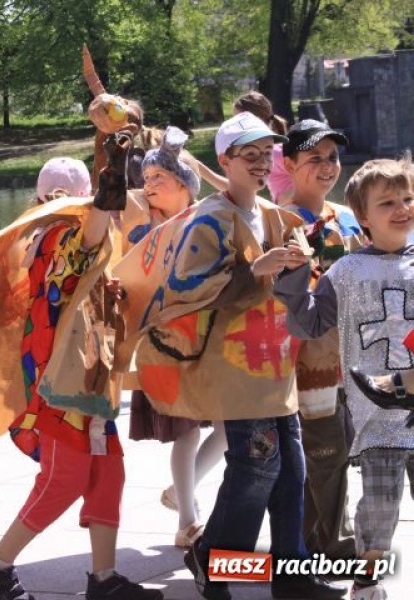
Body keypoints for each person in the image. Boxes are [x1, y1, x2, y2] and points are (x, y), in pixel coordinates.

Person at [118, 112, 343, 600]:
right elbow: (188, 289)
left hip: (274, 364)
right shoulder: (209, 218)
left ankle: (291, 574)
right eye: (249, 154)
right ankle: (212, 559)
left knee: (291, 471)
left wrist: (298, 265)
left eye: (266, 154)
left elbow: (290, 286)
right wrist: (256, 269)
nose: (261, 163)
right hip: (234, 370)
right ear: (225, 160)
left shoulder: (274, 215)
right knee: (256, 468)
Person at [0, 142, 163, 600]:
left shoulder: (67, 232)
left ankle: (103, 579)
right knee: (63, 479)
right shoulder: (51, 236)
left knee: (108, 473)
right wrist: (106, 195)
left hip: (87, 375)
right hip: (58, 379)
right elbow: (81, 249)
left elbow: (87, 265)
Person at [274, 156, 414, 600]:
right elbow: (308, 324)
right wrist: (294, 277)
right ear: (363, 217)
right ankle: (367, 583)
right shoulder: (347, 272)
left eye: (407, 198)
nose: (402, 208)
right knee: (379, 507)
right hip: (378, 418)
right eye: (387, 202)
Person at [124, 127, 227, 550]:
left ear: (184, 184)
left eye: (159, 178)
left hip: (209, 337)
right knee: (185, 430)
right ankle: (188, 519)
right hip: (165, 341)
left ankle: (180, 489)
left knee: (229, 425)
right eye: (146, 179)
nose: (148, 185)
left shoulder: (208, 218)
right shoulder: (140, 227)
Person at [280, 119, 364, 564]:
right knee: (325, 452)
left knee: (335, 453)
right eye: (315, 158)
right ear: (288, 164)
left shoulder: (347, 216)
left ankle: (313, 544)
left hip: (348, 356)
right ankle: (333, 546)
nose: (328, 166)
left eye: (332, 158)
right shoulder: (281, 221)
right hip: (306, 361)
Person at [197, 91, 291, 203]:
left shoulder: (277, 152)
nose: (263, 162)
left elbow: (308, 184)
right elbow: (239, 190)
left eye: (240, 119)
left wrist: (287, 201)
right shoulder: (275, 151)